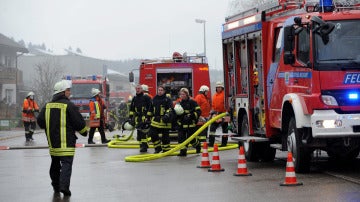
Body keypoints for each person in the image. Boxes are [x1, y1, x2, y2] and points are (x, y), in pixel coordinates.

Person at [37, 80, 88, 196]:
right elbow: (79, 123)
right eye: (68, 90)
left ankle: (56, 186)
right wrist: (85, 132)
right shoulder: (69, 106)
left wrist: (49, 127)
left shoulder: (47, 105)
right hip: (67, 143)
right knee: (66, 164)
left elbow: (40, 120)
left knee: (55, 164)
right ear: (62, 92)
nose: (69, 93)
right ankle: (64, 187)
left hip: (53, 143)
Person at [175, 88, 201, 156]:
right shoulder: (179, 103)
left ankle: (198, 146)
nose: (182, 96)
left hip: (190, 124)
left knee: (191, 139)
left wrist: (191, 116)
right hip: (182, 124)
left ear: (187, 94)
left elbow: (198, 111)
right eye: (181, 94)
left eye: (183, 94)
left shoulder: (192, 102)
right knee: (181, 138)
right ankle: (183, 152)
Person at [148, 85, 174, 153]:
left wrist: (167, 115)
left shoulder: (167, 99)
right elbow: (150, 109)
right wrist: (147, 117)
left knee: (165, 137)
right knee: (152, 133)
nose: (160, 91)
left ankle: (166, 149)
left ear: (164, 91)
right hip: (156, 120)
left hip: (165, 120)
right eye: (159, 90)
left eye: (161, 90)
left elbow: (170, 108)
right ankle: (157, 147)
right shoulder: (154, 99)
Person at [129, 84, 152, 152]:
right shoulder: (134, 98)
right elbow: (132, 109)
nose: (138, 90)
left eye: (139, 88)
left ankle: (144, 146)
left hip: (144, 118)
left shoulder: (146, 97)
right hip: (138, 118)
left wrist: (148, 117)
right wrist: (130, 118)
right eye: (137, 88)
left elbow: (150, 107)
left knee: (143, 133)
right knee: (139, 133)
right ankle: (142, 145)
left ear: (142, 89)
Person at [209, 81, 228, 147]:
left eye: (219, 87)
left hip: (224, 114)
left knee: (225, 129)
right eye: (217, 87)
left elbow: (226, 105)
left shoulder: (224, 95)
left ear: (222, 88)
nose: (218, 88)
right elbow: (213, 105)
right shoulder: (214, 96)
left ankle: (224, 143)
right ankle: (211, 143)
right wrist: (213, 113)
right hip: (216, 114)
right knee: (212, 128)